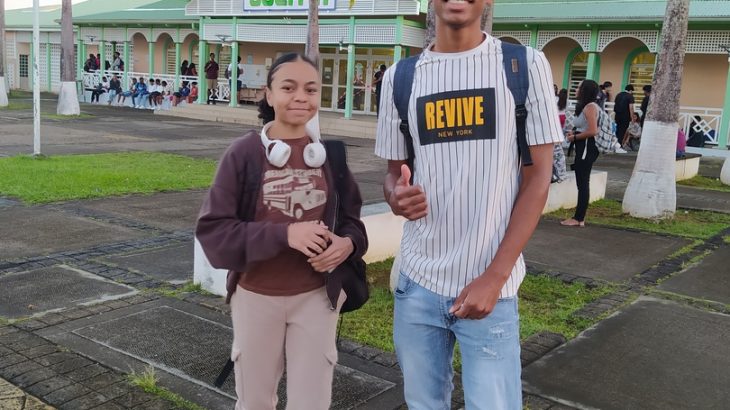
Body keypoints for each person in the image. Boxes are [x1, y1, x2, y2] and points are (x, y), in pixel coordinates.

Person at [374, 0, 563, 408]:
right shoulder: (399, 78)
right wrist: (396, 196)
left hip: (492, 290)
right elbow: (393, 174)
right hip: (417, 285)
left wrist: (494, 278)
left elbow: (537, 180)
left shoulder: (524, 66)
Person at [196, 52, 368, 410]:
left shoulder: (330, 156)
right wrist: (286, 235)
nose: (301, 97)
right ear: (269, 94)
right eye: (288, 88)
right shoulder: (244, 153)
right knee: (255, 401)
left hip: (317, 299)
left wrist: (346, 245)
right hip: (256, 297)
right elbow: (214, 233)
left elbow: (354, 224)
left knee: (312, 402)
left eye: (311, 89)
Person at [562, 80, 601, 228]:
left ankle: (579, 218)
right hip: (583, 145)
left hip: (586, 147)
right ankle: (579, 217)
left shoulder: (590, 107)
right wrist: (575, 133)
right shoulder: (587, 106)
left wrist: (575, 137)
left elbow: (593, 131)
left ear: (585, 90)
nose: (576, 89)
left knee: (583, 182)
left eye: (579, 87)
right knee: (582, 182)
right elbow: (586, 128)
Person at [614, 84, 635, 149]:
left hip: (617, 116)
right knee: (622, 131)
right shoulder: (630, 96)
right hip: (625, 116)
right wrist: (632, 118)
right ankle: (619, 145)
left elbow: (616, 104)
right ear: (630, 90)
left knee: (617, 130)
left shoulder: (619, 94)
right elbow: (631, 108)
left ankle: (615, 144)